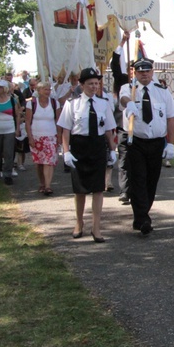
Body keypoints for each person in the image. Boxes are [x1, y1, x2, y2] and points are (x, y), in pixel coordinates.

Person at [120, 57, 174, 235]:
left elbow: (170, 118)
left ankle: (141, 215)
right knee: (138, 179)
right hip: (136, 141)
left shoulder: (162, 91)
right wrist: (129, 102)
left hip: (156, 143)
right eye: (140, 71)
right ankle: (143, 218)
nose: (144, 74)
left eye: (147, 71)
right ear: (135, 73)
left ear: (152, 72)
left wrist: (171, 144)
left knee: (151, 181)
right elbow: (122, 98)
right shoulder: (129, 88)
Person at [58, 68, 117, 242]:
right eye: (90, 83)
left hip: (97, 146)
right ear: (82, 85)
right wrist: (66, 151)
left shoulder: (103, 104)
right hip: (79, 146)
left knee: (98, 189)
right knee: (80, 190)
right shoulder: (72, 103)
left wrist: (112, 150)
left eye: (96, 83)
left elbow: (108, 129)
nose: (94, 86)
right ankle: (79, 223)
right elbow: (66, 130)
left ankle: (96, 227)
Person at [25, 81, 61, 196]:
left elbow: (59, 121)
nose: (48, 92)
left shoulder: (55, 103)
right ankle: (42, 183)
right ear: (39, 91)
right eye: (45, 89)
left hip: (51, 137)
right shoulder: (31, 104)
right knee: (39, 163)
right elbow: (27, 122)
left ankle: (48, 185)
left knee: (49, 162)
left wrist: (59, 137)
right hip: (36, 137)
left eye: (49, 89)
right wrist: (30, 137)